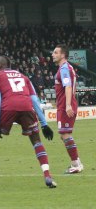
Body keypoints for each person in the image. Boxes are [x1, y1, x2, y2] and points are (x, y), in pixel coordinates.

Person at [0, 56, 56, 192]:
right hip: (26, 106)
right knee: (37, 142)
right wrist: (44, 124)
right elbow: (34, 100)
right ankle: (48, 176)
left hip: (7, 107)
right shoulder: (24, 76)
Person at [52, 44, 83, 173]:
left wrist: (68, 105)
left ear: (63, 55)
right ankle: (76, 162)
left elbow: (68, 86)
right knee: (64, 134)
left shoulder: (64, 69)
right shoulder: (67, 68)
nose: (52, 55)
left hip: (66, 105)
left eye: (55, 52)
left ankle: (76, 164)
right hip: (64, 105)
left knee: (65, 134)